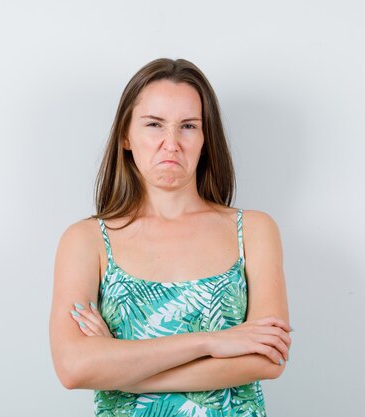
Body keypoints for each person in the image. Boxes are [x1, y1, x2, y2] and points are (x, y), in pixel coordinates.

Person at [49, 57, 292, 416]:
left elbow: (267, 358)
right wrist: (214, 341)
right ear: (126, 136)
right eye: (154, 124)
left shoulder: (254, 230)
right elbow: (73, 368)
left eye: (188, 126)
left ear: (206, 139)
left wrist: (124, 374)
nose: (171, 143)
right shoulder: (86, 240)